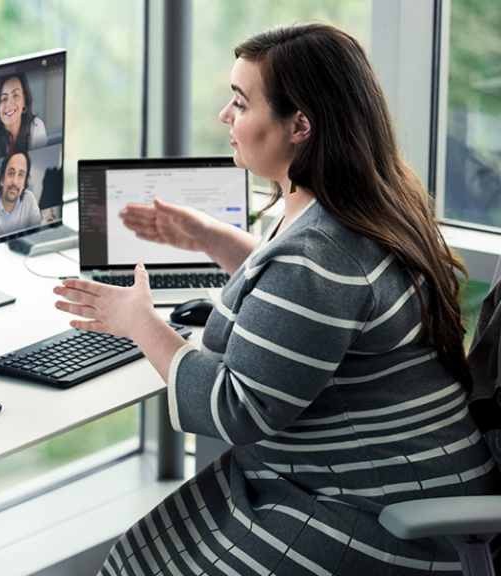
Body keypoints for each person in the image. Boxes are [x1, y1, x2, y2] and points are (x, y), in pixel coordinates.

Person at [54, 23, 501, 576]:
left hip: (381, 516)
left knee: (135, 564)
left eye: (241, 102)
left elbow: (236, 409)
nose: (225, 116)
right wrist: (209, 238)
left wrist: (139, 323)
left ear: (300, 127)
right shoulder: (368, 207)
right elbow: (314, 311)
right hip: (407, 476)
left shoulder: (319, 256)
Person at [0, 73, 48, 161]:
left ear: (24, 100)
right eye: (4, 99)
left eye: (15, 95)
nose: (10, 104)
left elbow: (42, 164)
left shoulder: (37, 127)